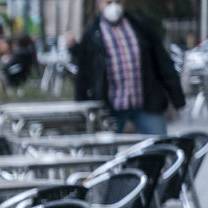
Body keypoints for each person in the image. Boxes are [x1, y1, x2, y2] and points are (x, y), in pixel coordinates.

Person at [73, 0, 185, 134]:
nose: (114, 6)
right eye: (108, 2)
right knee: (106, 152)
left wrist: (177, 97)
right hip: (110, 108)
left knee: (159, 147)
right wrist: (81, 109)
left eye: (118, 2)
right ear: (99, 5)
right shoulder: (91, 35)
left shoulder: (140, 27)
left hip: (146, 103)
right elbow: (83, 75)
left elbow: (162, 62)